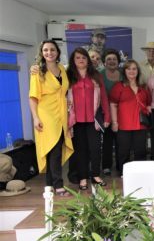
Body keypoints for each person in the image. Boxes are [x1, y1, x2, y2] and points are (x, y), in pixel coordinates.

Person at [28, 40, 74, 196]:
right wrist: (35, 118)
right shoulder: (37, 72)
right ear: (42, 52)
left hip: (61, 114)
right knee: (53, 149)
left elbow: (64, 91)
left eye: (52, 49)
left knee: (55, 149)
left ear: (57, 52)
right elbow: (33, 97)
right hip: (46, 114)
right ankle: (58, 185)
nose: (49, 52)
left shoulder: (61, 68)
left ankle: (49, 185)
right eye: (45, 50)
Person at [66, 47, 110, 189]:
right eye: (78, 57)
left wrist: (107, 117)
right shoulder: (68, 75)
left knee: (96, 148)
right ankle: (83, 178)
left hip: (94, 119)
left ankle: (96, 175)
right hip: (76, 120)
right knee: (80, 150)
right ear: (73, 60)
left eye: (83, 58)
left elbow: (103, 97)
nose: (81, 60)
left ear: (88, 60)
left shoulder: (96, 75)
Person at [110, 60, 151, 175]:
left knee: (141, 151)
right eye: (129, 69)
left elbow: (148, 103)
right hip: (123, 124)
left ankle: (140, 174)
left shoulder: (143, 88)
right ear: (124, 71)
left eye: (134, 69)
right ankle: (123, 173)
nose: (131, 71)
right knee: (123, 151)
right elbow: (113, 104)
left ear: (138, 71)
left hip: (140, 124)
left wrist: (148, 108)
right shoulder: (118, 86)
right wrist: (114, 122)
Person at [99, 49, 123, 175]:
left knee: (121, 140)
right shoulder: (99, 75)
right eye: (109, 59)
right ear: (104, 62)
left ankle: (121, 165)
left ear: (118, 62)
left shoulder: (124, 74)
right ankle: (106, 166)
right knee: (107, 140)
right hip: (105, 113)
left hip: (122, 113)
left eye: (114, 59)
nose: (112, 61)